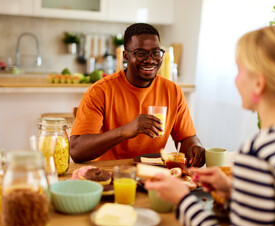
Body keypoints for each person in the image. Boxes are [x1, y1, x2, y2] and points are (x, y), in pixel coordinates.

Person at [145, 23, 275, 226]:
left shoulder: (259, 155)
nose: (235, 79)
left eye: (239, 70)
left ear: (258, 84)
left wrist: (183, 200)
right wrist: (234, 193)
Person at [70, 23, 205, 166]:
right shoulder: (100, 91)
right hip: (109, 176)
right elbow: (77, 151)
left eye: (156, 52)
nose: (150, 59)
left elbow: (186, 138)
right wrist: (126, 130)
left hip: (153, 175)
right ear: (125, 56)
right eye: (141, 53)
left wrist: (195, 147)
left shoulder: (172, 91)